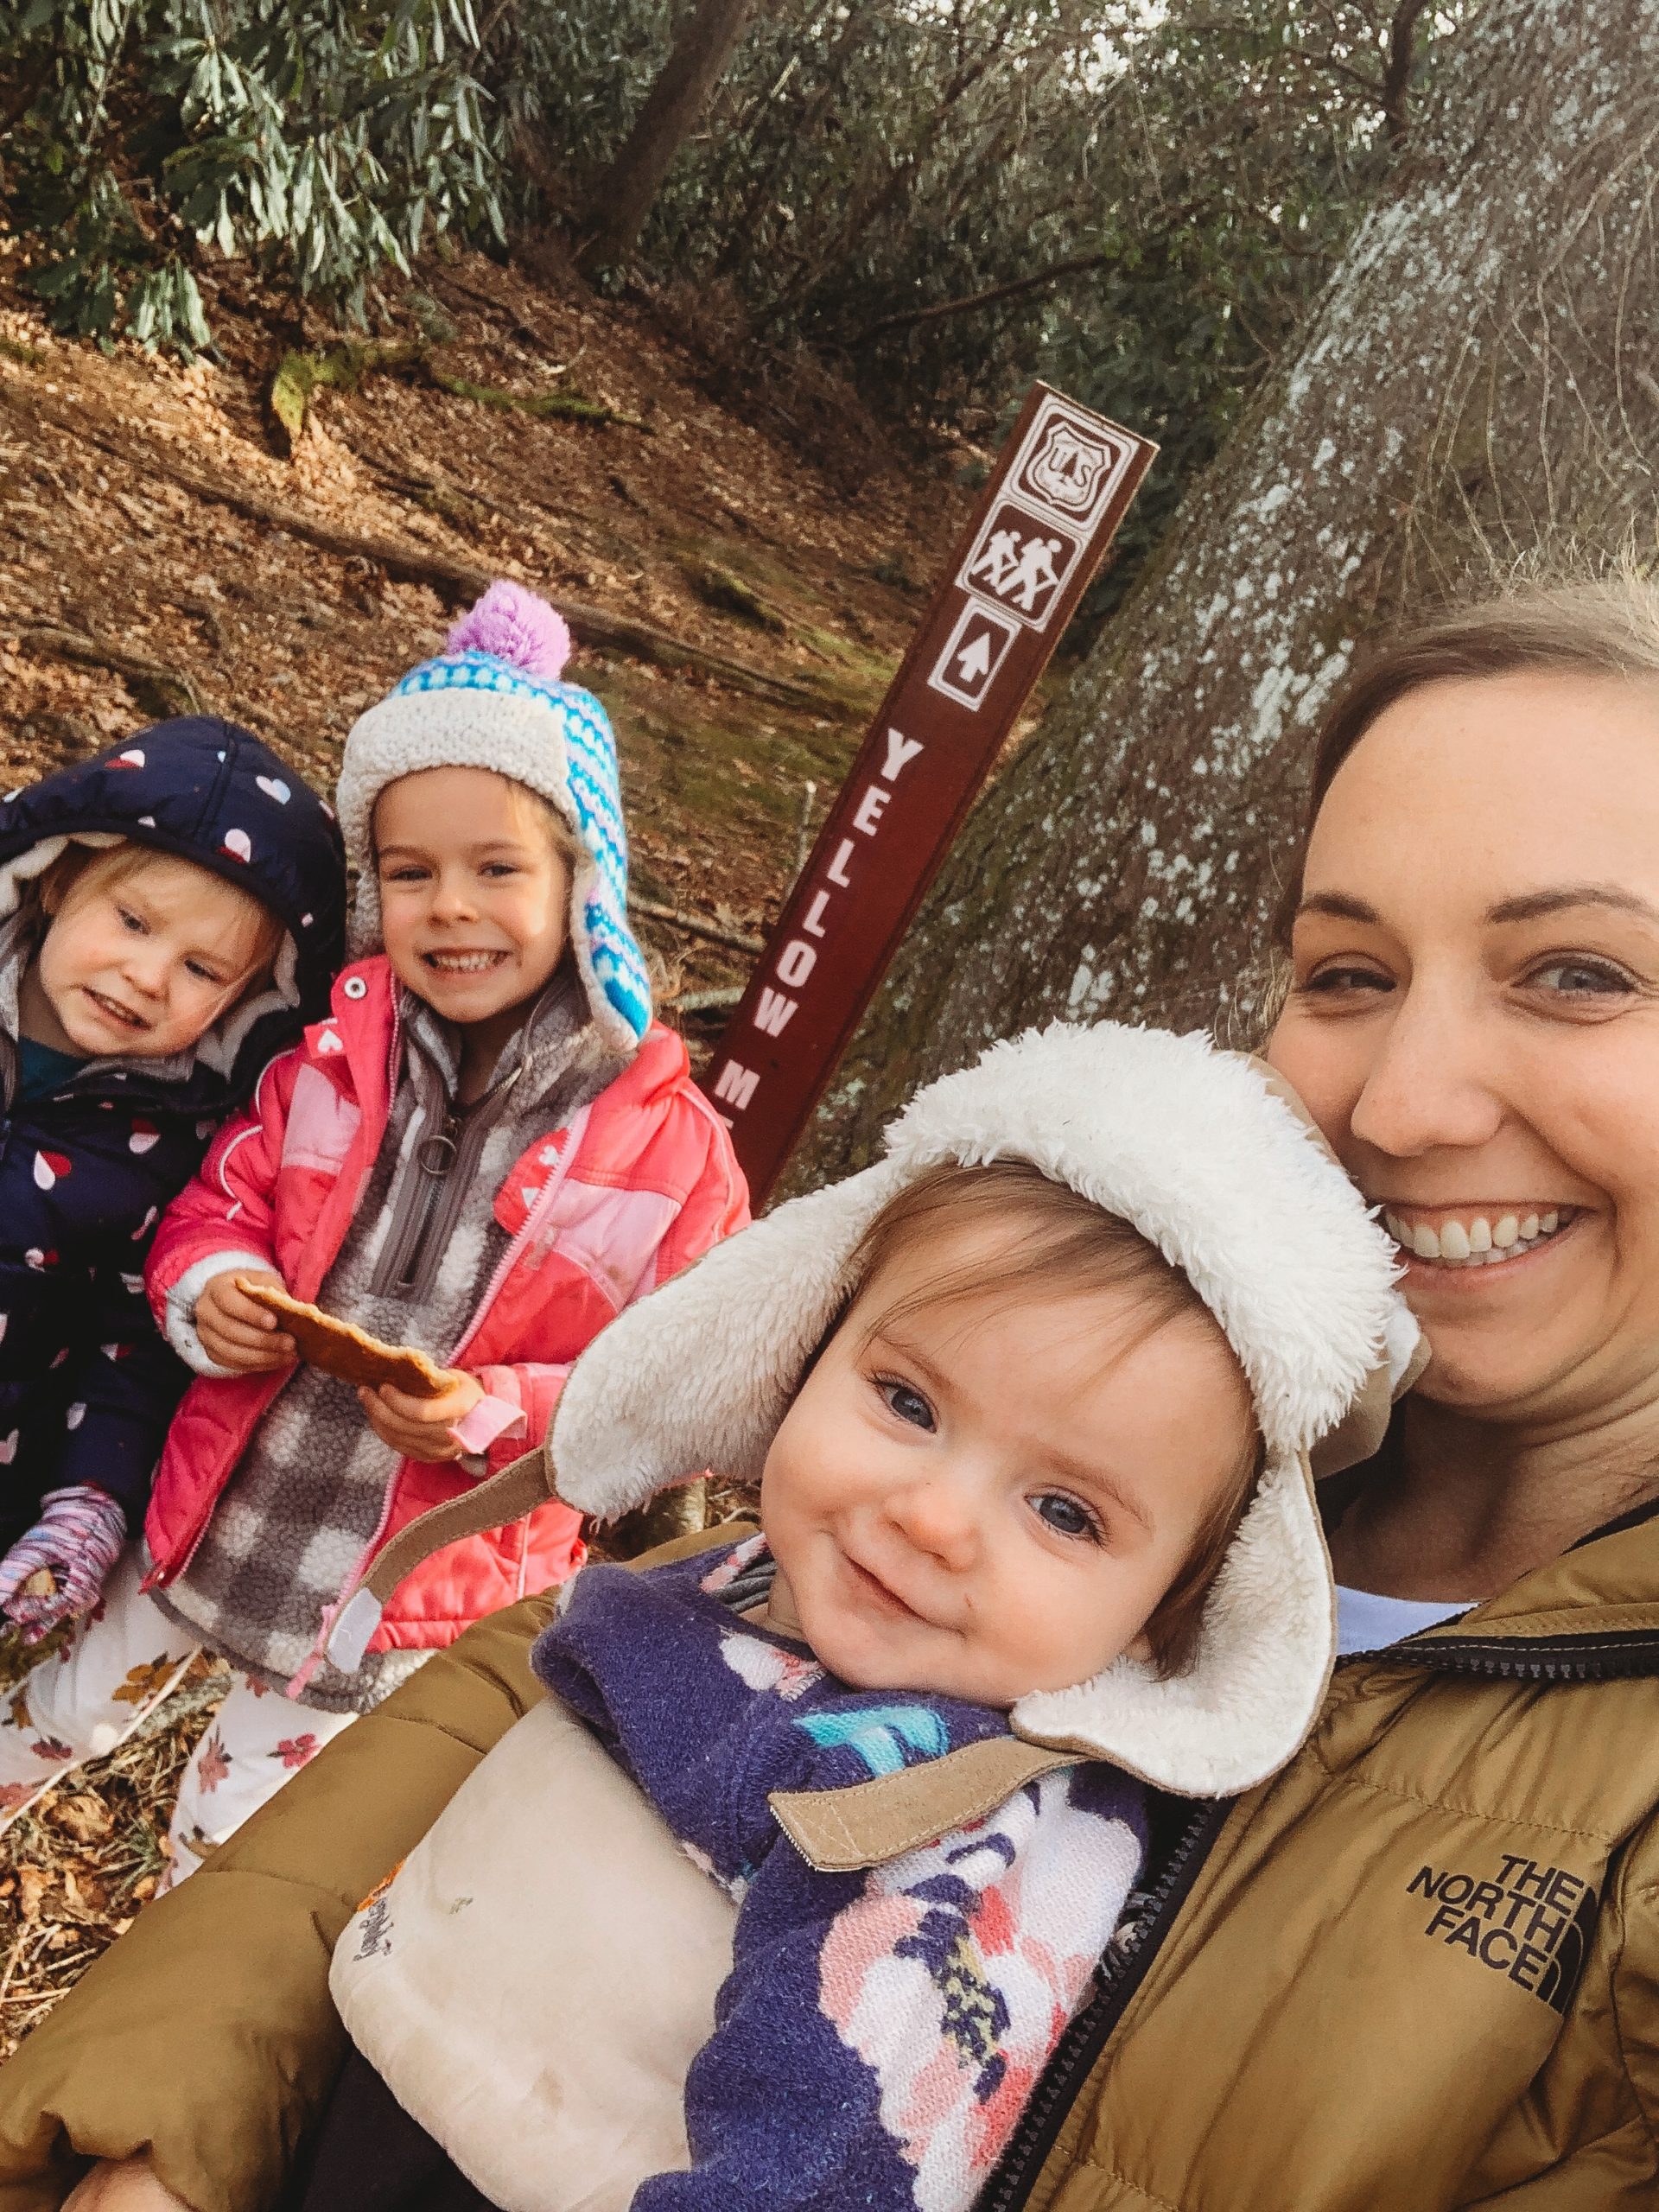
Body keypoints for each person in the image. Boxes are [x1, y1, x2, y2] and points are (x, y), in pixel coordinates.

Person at [10, 572, 1659, 2212]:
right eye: (1349, 973)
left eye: (1584, 974)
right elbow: (512, 1703)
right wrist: (167, 2123)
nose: (1408, 1103)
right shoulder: (1136, 1390)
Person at [301, 1020, 1403, 2212]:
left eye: (1067, 1514)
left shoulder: (971, 1824)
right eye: (906, 1401)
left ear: (1170, 1617)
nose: (934, 1518)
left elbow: (825, 2173)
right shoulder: (727, 1585)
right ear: (795, 1353)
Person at [0, 582, 747, 1878]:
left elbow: (678, 1383)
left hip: (399, 1594)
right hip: (216, 1504)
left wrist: (503, 1412)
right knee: (53, 1715)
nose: (449, 907)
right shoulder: (323, 1064)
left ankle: (147, 2029)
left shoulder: (665, 1148)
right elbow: (212, 1204)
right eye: (410, 873)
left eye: (497, 868)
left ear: (585, 876)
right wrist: (213, 1284)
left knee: (234, 1842)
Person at [0, 720, 345, 1661]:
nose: (146, 977)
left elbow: (130, 1341)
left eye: (201, 969)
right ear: (64, 876)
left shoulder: (179, 1144)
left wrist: (87, 1500)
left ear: (247, 1000)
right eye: (134, 921)